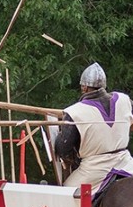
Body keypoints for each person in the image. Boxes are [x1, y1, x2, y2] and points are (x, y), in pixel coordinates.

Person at [55, 62, 133, 194]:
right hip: (126, 163)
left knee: (66, 193)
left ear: (84, 87)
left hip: (95, 169)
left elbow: (62, 148)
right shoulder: (125, 100)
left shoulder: (75, 112)